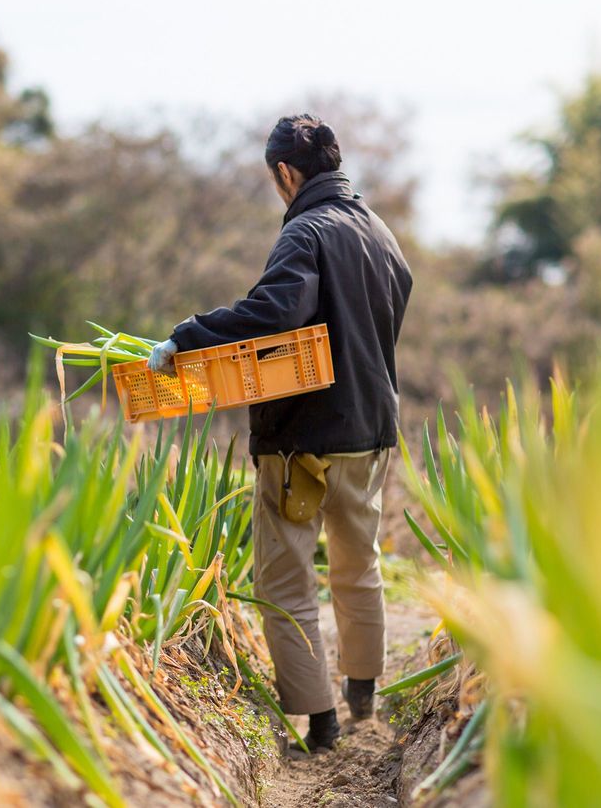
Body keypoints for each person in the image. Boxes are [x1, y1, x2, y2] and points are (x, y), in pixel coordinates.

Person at [147, 114, 412, 753]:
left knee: (286, 573)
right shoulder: (380, 232)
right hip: (371, 427)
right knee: (359, 562)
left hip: (304, 437)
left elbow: (276, 311)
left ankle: (319, 719)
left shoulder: (307, 231)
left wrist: (186, 336)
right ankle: (362, 698)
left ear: (286, 173)